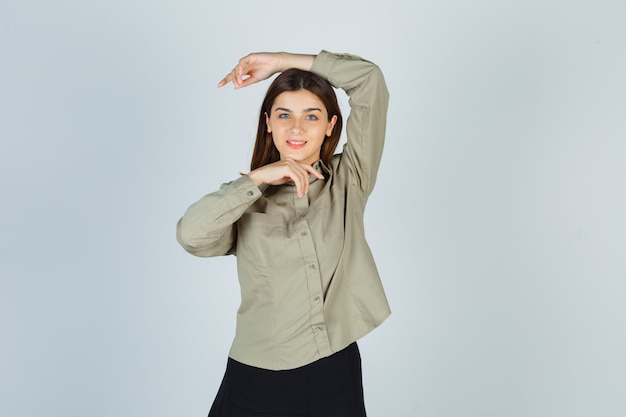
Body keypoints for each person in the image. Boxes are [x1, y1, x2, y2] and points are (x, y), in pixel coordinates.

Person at [176, 50, 390, 417]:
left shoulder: (349, 179)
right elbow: (190, 236)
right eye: (284, 115)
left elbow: (369, 79)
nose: (296, 128)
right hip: (256, 375)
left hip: (333, 371)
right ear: (268, 123)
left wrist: (280, 62)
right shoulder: (243, 200)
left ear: (330, 126)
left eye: (311, 116)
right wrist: (258, 179)